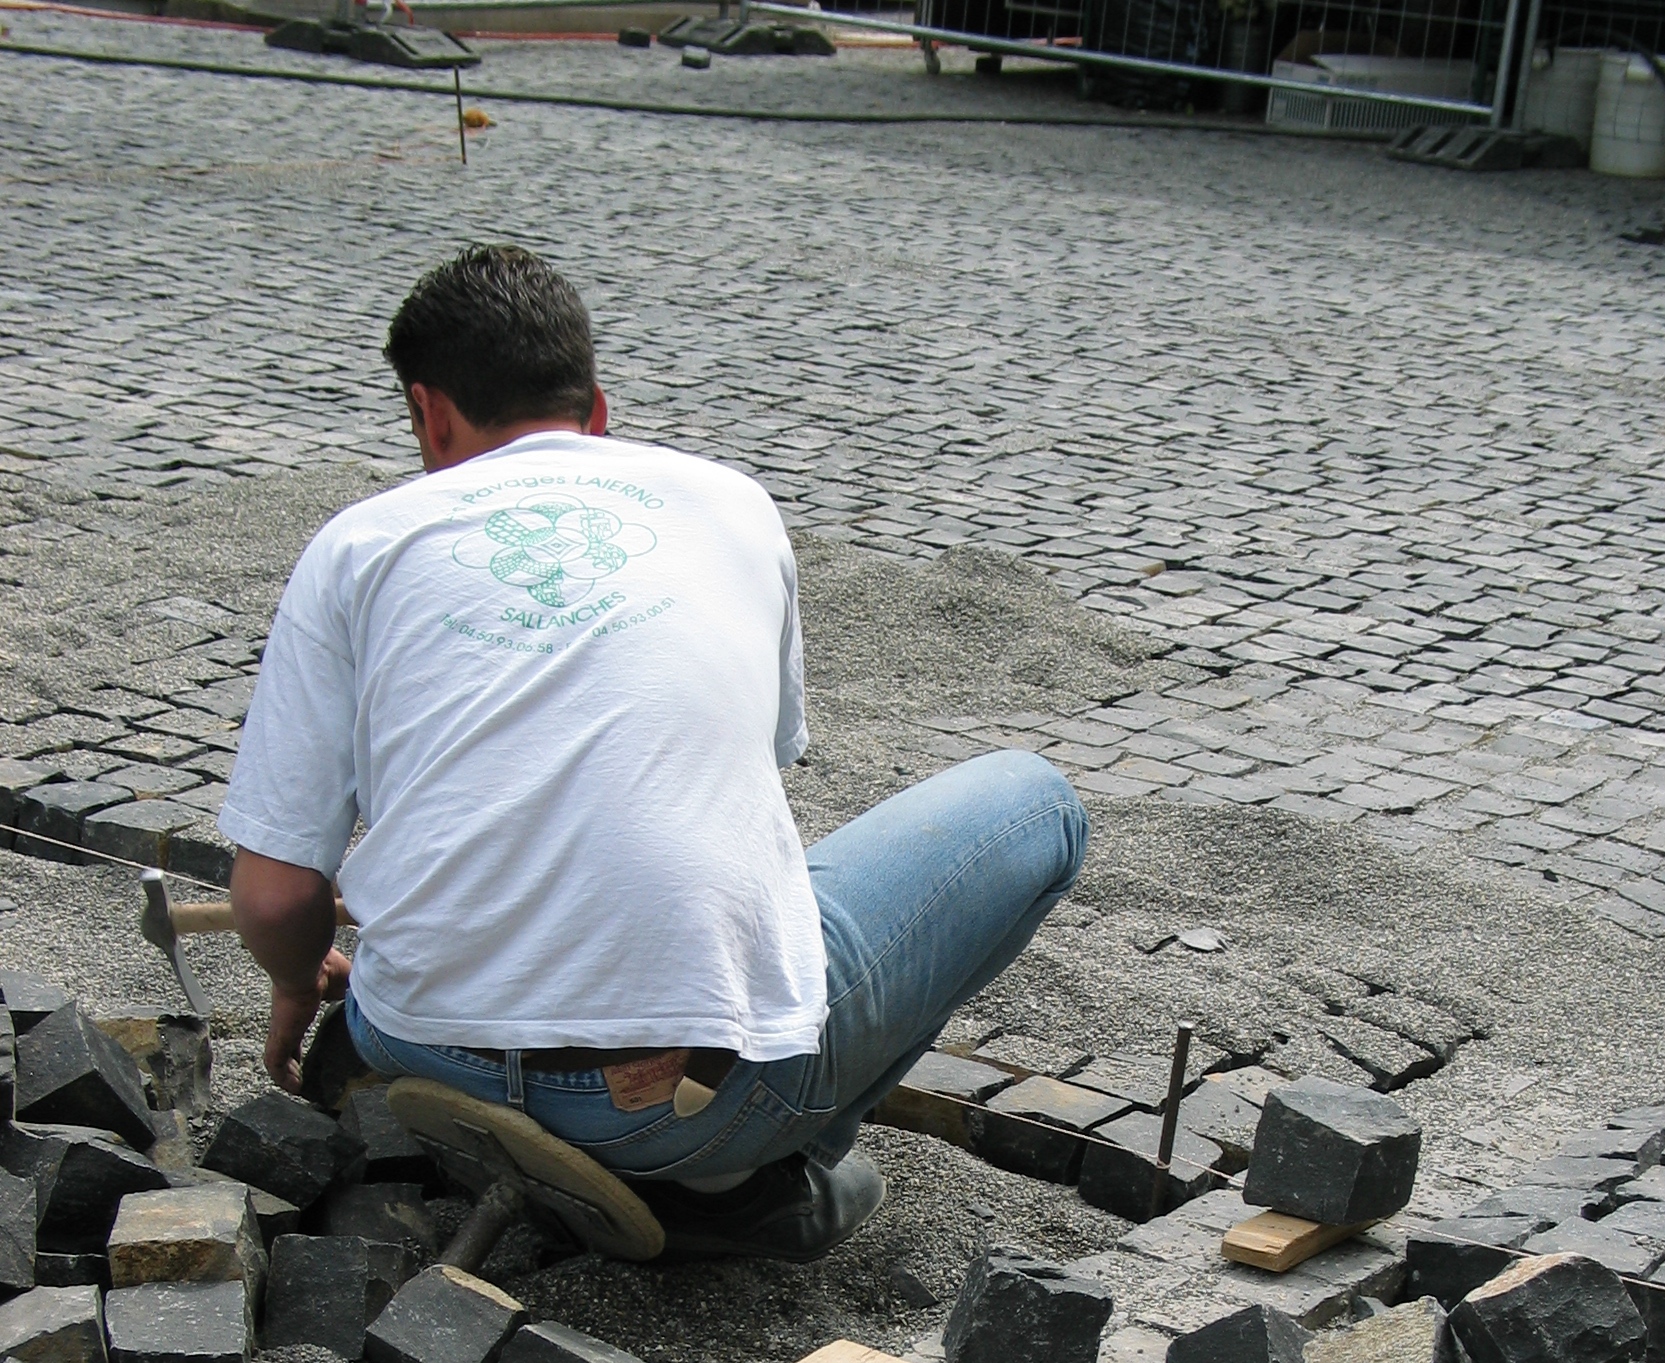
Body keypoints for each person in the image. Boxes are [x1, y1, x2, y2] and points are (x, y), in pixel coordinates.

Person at [222, 244, 1087, 1262]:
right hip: (679, 1106)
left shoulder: (356, 544)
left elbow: (274, 898)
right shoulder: (730, 501)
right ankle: (744, 1181)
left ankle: (518, 1123)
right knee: (1036, 801)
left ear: (429, 412)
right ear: (596, 409)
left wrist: (295, 983)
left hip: (419, 1042)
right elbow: (745, 775)